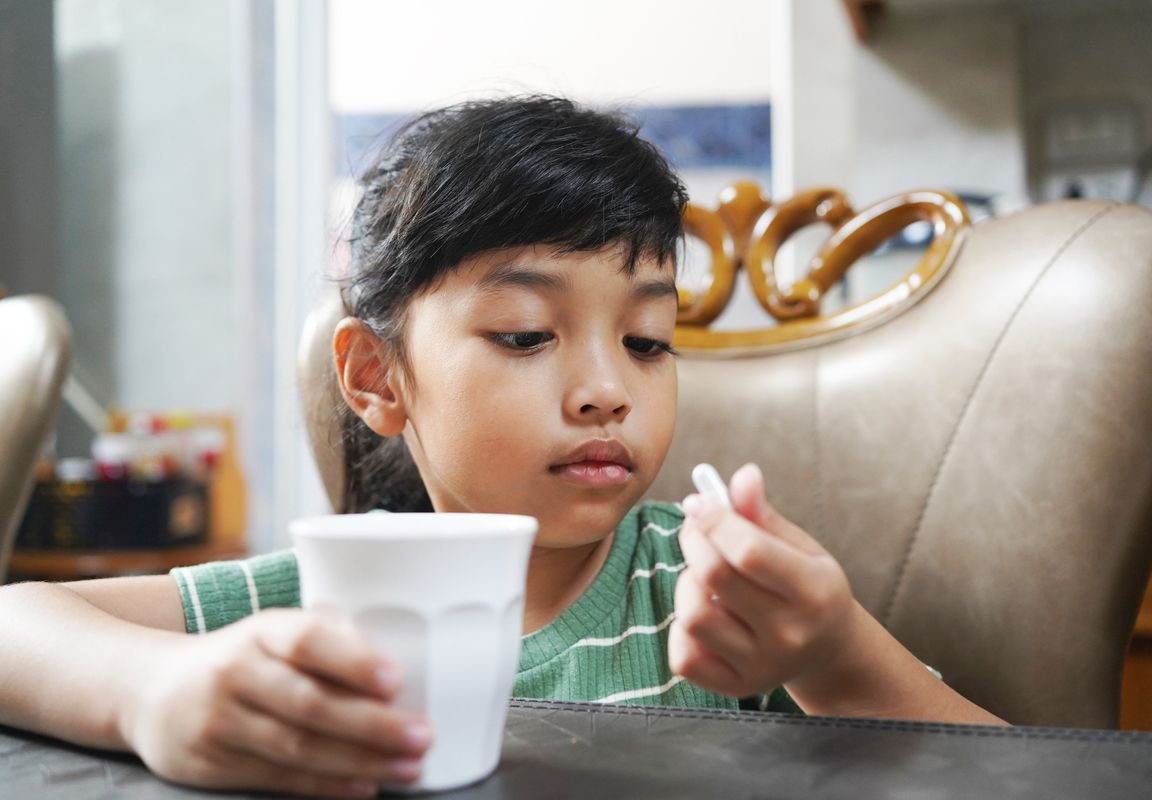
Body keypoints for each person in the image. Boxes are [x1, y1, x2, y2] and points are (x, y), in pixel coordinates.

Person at [0, 95, 1005, 800]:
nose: (610, 387)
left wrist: (832, 656)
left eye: (648, 340)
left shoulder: (705, 596)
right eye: (527, 333)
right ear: (375, 378)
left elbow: (1018, 771)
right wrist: (153, 691)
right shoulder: (333, 593)